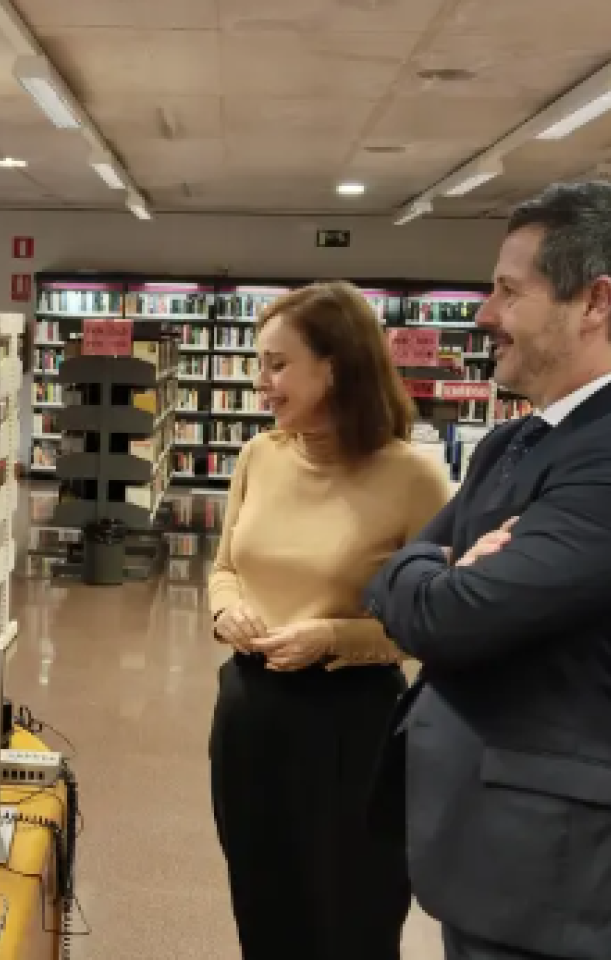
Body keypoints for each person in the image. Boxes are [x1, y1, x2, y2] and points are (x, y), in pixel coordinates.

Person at [362, 181, 611, 960]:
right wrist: (437, 567)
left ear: (595, 302)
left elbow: (443, 620)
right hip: (497, 854)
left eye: (508, 291)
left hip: (558, 881)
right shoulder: (516, 442)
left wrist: (438, 576)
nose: (485, 313)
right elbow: (394, 575)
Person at [207, 281, 451, 960]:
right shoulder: (260, 456)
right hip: (250, 711)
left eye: (277, 364)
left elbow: (437, 622)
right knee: (261, 898)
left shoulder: (412, 479)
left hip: (353, 723)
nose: (262, 383)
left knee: (353, 914)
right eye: (260, 365)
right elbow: (224, 565)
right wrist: (227, 611)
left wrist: (334, 637)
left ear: (336, 366)